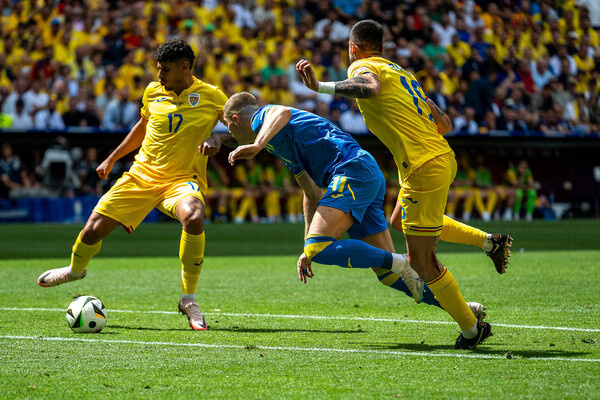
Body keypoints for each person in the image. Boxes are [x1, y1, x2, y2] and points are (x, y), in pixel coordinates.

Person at [296, 20, 509, 349]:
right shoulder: (402, 73)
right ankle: (489, 243)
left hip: (424, 166)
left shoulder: (363, 66)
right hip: (437, 160)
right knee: (397, 221)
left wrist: (321, 87)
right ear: (382, 46)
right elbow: (445, 123)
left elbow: (369, 88)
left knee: (421, 262)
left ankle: (471, 328)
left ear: (353, 47)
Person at [222, 92, 487, 319]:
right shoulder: (279, 143)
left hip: (352, 171)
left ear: (236, 119)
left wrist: (256, 144)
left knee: (326, 249)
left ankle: (402, 261)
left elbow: (279, 111)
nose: (233, 135)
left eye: (230, 129)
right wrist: (306, 245)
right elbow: (312, 193)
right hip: (362, 173)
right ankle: (464, 311)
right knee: (387, 274)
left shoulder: (263, 118)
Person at [37, 39, 233, 331]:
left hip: (181, 180)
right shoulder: (153, 92)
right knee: (92, 230)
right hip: (141, 175)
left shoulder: (212, 96)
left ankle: (188, 299)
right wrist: (113, 158)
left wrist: (217, 139)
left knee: (193, 216)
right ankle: (75, 271)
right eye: (157, 69)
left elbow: (243, 129)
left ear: (185, 67)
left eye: (165, 70)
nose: (159, 76)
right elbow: (142, 128)